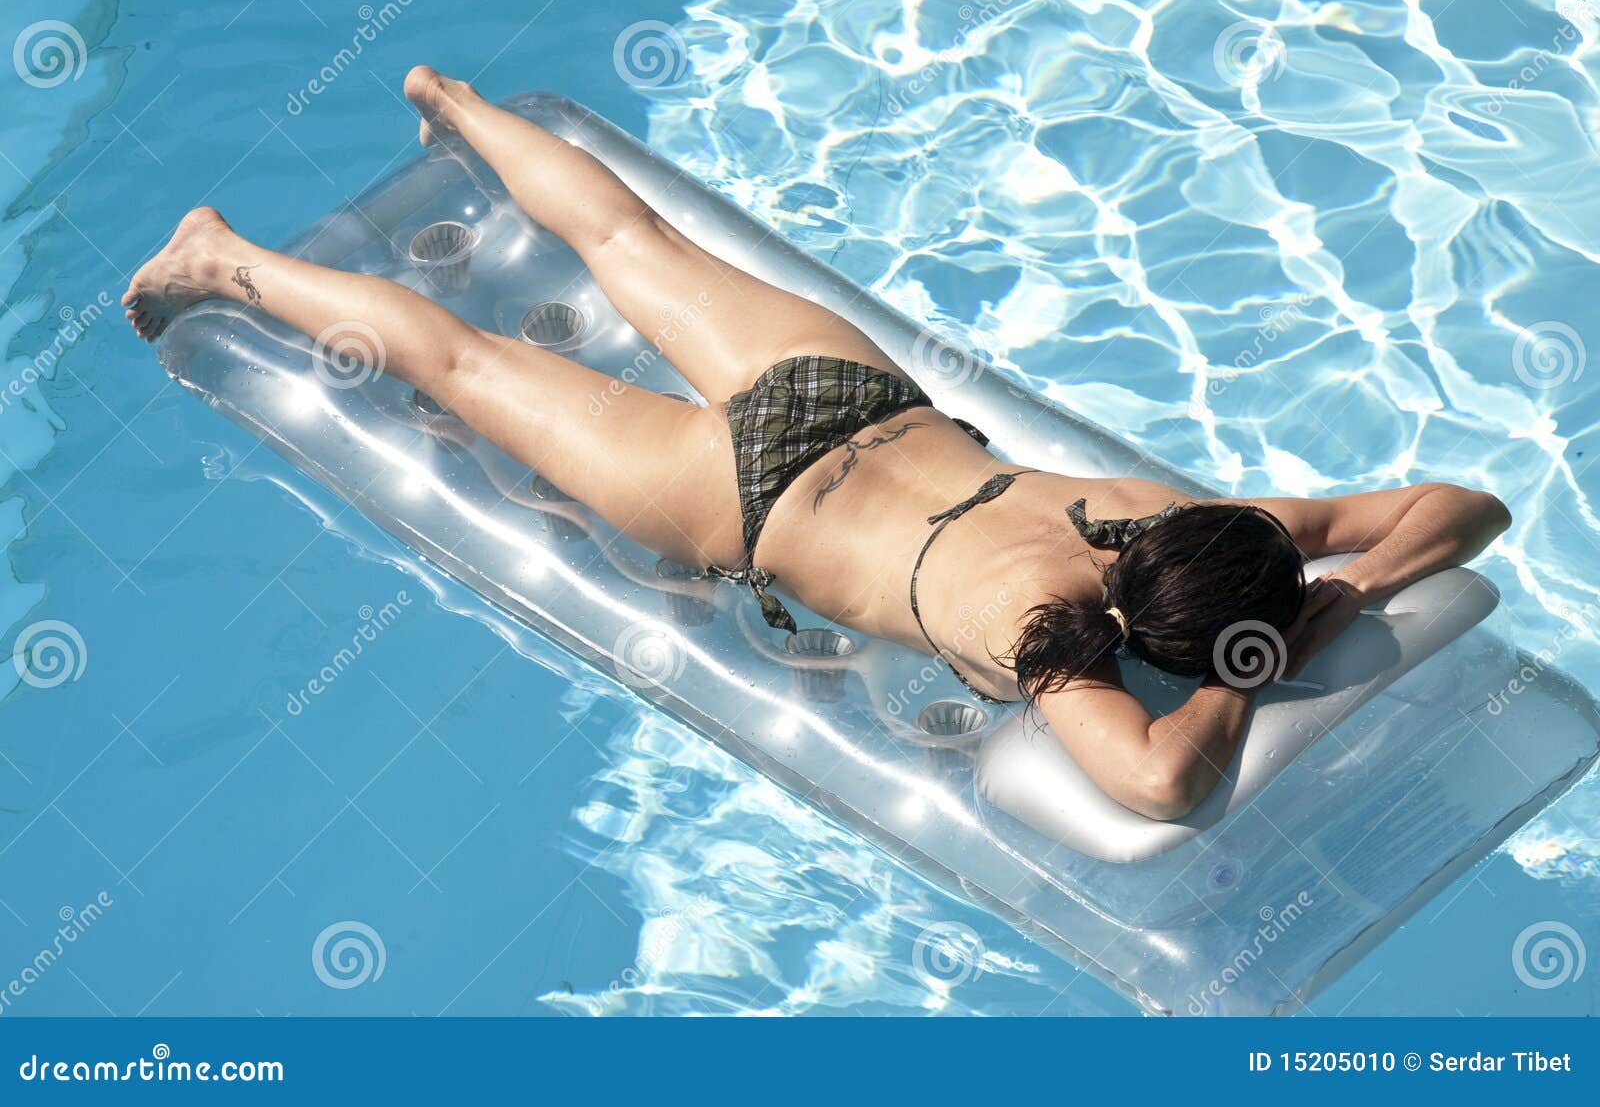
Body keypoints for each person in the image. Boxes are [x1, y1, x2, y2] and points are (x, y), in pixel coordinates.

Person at [123, 67, 1512, 821]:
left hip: (846, 398)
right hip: (737, 504)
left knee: (627, 242)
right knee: (463, 356)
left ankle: (462, 107)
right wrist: (1314, 633)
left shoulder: (1143, 509)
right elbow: (1160, 784)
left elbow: (1461, 500)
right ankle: (222, 258)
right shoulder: (1050, 634)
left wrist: (1329, 571)